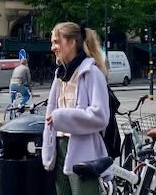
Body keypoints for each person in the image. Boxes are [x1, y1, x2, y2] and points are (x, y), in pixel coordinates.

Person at [42, 22, 111, 195]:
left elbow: (101, 116)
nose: (53, 47)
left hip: (83, 153)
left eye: (57, 42)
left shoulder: (91, 73)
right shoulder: (60, 75)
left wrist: (61, 117)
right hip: (59, 149)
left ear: (72, 42)